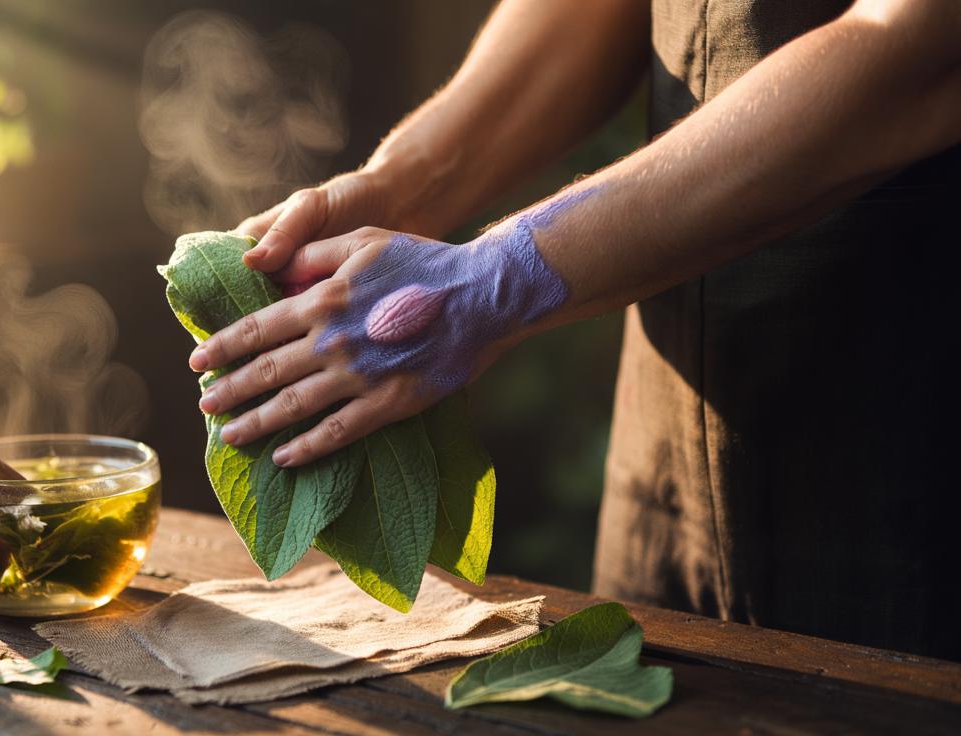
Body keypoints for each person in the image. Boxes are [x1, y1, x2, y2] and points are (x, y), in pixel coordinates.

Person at [188, 0, 961, 659]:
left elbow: (920, 48)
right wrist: (401, 185)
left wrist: (495, 278)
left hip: (903, 433)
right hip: (671, 443)